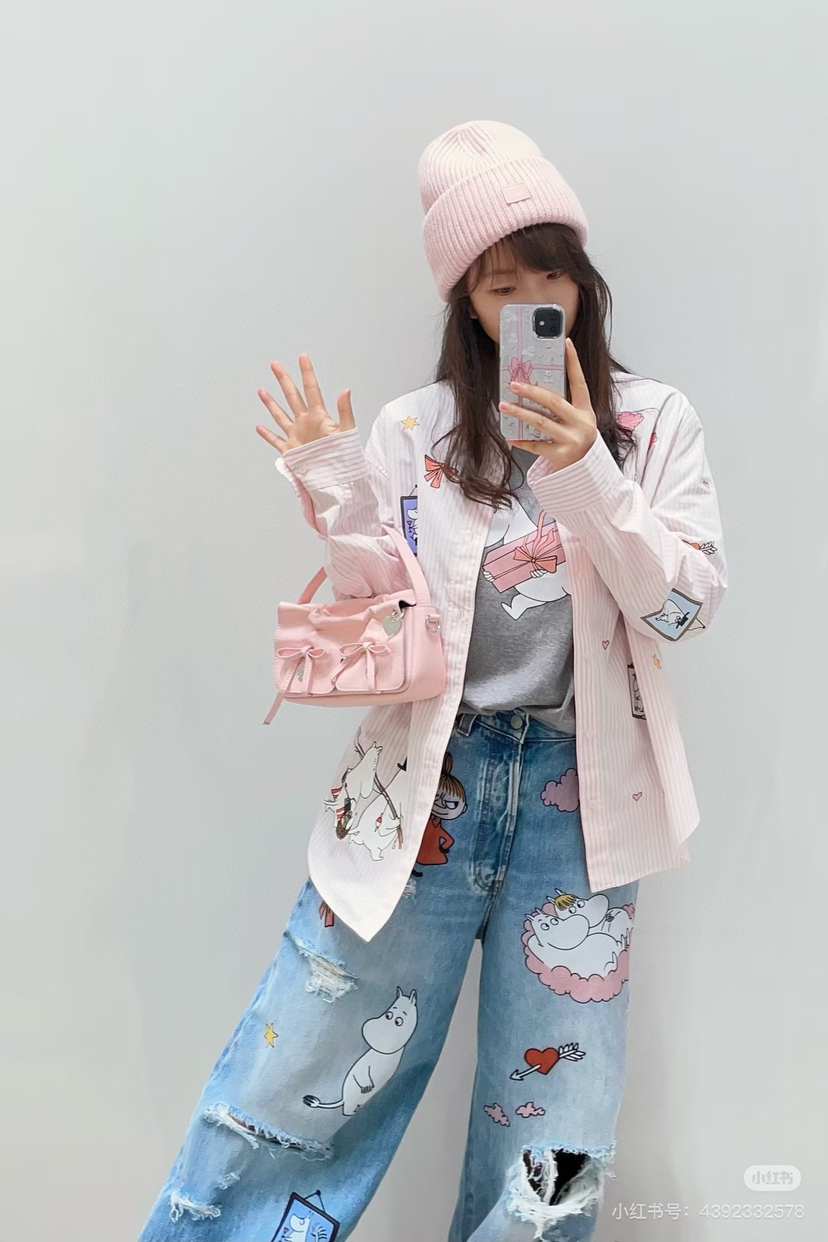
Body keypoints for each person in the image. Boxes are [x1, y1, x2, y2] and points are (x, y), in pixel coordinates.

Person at [138, 119, 727, 1242]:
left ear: (582, 280)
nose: (533, 302)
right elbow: (381, 612)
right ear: (466, 301)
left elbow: (686, 606)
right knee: (301, 1081)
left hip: (580, 807)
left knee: (556, 1144)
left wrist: (587, 473)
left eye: (550, 273)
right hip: (427, 788)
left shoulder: (654, 426)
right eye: (502, 284)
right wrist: (336, 486)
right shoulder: (419, 430)